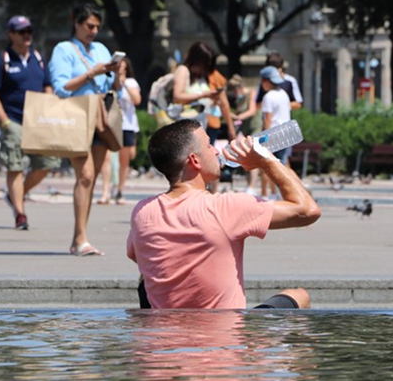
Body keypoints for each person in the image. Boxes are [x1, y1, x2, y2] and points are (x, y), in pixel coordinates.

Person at [126, 119, 320, 309]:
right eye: (210, 145)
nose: (217, 151)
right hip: (225, 338)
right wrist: (266, 160)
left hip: (163, 337)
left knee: (146, 280)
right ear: (195, 160)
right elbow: (308, 210)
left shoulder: (142, 212)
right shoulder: (226, 207)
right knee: (299, 296)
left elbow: (134, 254)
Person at [49, 3, 123, 256]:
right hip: (76, 116)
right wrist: (92, 73)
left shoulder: (102, 49)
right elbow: (61, 87)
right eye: (89, 26)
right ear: (77, 24)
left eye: (97, 27)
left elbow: (115, 86)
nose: (93, 31)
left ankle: (79, 237)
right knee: (87, 175)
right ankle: (80, 238)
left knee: (90, 181)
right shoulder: (64, 50)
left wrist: (117, 73)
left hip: (100, 118)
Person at [0, 15, 60, 230]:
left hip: (37, 120)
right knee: (15, 166)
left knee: (48, 164)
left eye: (29, 31)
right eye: (22, 32)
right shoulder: (2, 60)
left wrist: (47, 105)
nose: (27, 35)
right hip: (14, 120)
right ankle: (20, 213)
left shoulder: (38, 58)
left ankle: (15, 195)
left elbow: (48, 85)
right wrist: (5, 122)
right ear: (11, 35)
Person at [172, 42, 235, 193]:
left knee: (207, 162)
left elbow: (222, 103)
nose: (207, 68)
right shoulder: (183, 71)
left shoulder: (203, 77)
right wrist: (204, 95)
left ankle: (209, 193)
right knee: (189, 164)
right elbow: (178, 96)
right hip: (186, 130)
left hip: (202, 127)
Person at [98, 56, 141, 205]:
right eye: (118, 67)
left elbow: (137, 100)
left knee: (124, 160)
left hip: (127, 125)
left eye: (123, 67)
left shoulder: (131, 82)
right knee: (107, 158)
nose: (121, 69)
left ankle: (120, 190)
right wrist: (116, 78)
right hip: (112, 124)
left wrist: (124, 83)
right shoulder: (109, 81)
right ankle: (105, 191)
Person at [258, 66, 292, 199]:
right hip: (286, 133)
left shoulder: (268, 97)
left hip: (273, 134)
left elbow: (268, 119)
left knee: (268, 166)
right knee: (282, 165)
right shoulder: (284, 94)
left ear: (266, 81)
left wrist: (262, 140)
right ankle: (285, 193)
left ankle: (270, 194)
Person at [226, 74, 260, 195]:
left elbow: (252, 110)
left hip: (256, 128)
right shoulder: (239, 100)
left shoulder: (252, 93)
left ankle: (252, 186)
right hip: (246, 130)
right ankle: (249, 185)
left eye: (235, 92)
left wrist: (238, 117)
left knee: (253, 155)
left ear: (239, 88)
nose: (235, 95)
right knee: (247, 158)